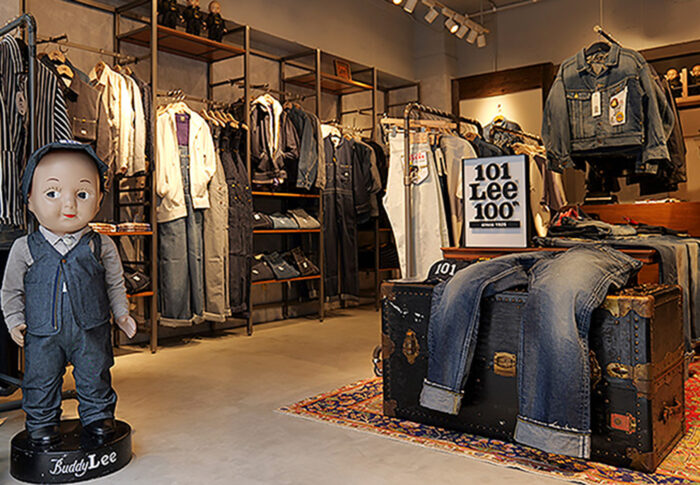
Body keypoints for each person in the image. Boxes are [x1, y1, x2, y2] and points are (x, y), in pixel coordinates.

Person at [1, 140, 137, 446]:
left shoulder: (101, 245)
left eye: (83, 194)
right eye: (52, 193)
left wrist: (121, 313)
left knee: (95, 373)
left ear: (99, 200)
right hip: (42, 333)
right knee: (41, 378)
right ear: (30, 200)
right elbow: (11, 289)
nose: (69, 205)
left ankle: (98, 416)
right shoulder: (25, 247)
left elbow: (115, 283)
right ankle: (41, 422)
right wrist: (14, 319)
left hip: (91, 329)